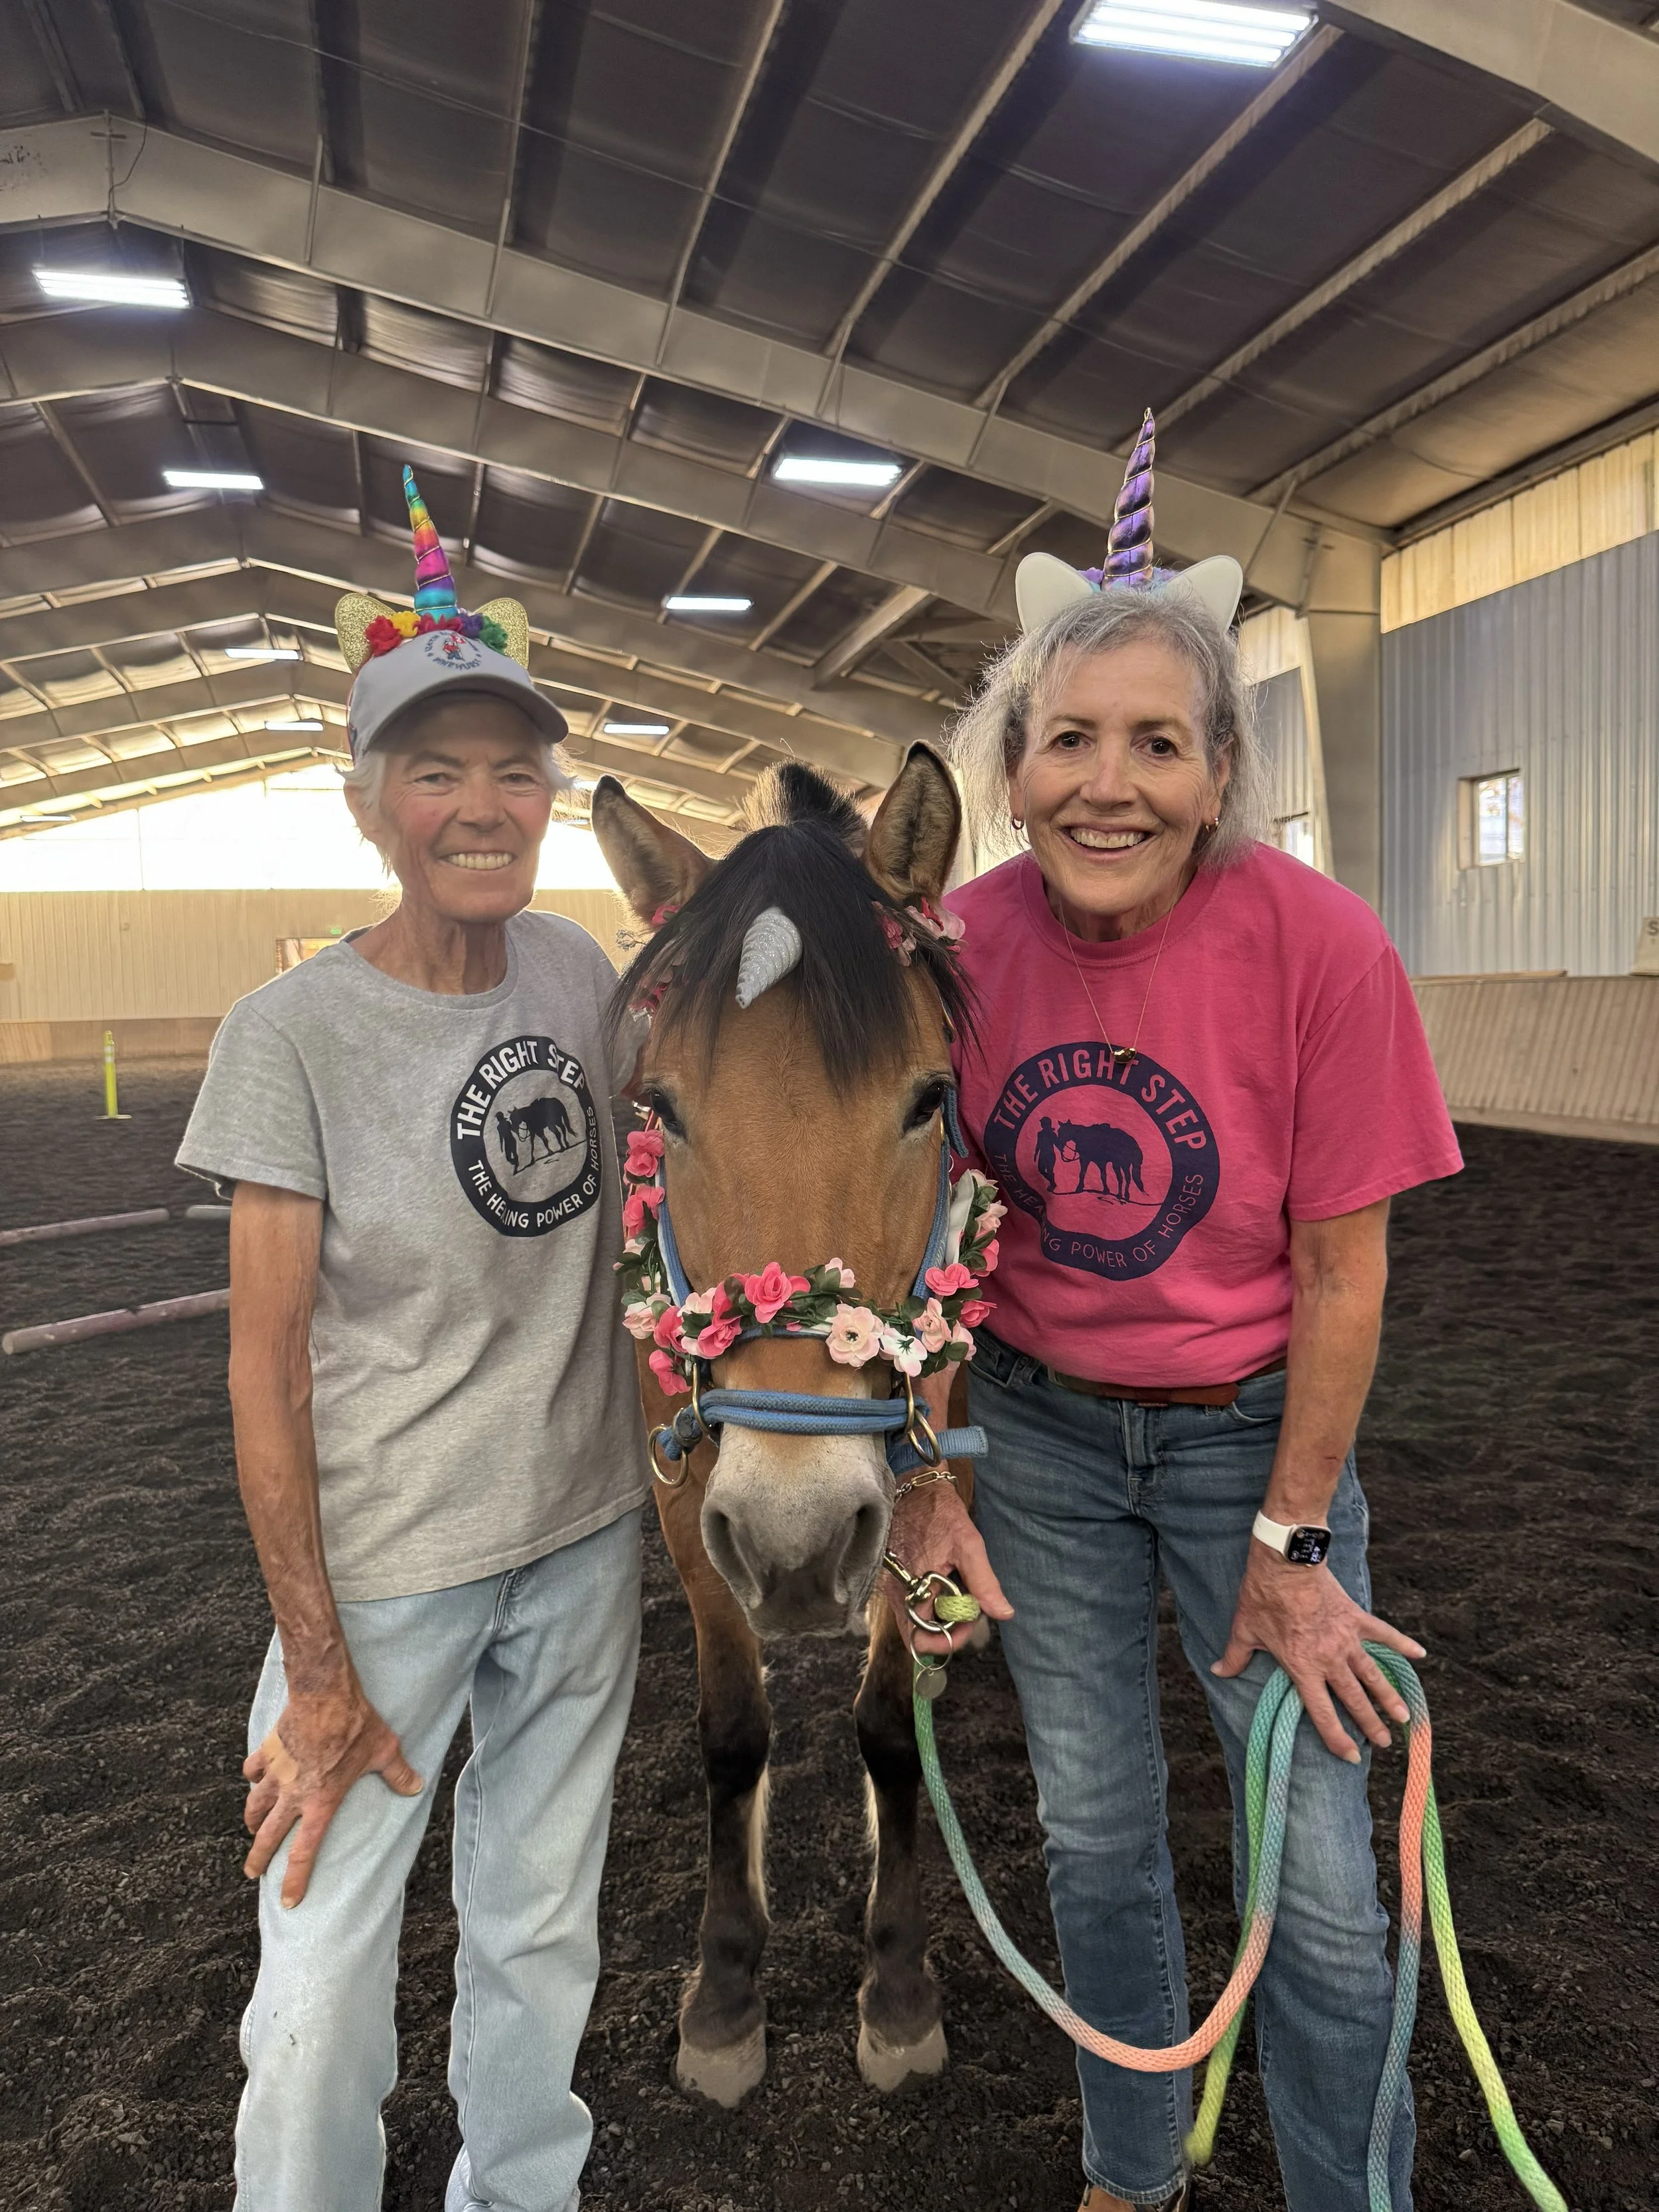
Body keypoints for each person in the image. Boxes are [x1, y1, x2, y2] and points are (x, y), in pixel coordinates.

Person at [891, 413, 1461, 2212]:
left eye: (1156, 742)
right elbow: (926, 1239)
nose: (1106, 783)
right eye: (1067, 739)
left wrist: (1294, 1538)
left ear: (1219, 772)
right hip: (1043, 1438)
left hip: (1254, 1448)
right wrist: (934, 1473)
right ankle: (1127, 2168)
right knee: (1094, 1834)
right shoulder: (961, 953)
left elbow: (1341, 1271)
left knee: (1318, 1881)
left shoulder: (1321, 948)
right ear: (1012, 765)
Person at [177, 469, 648, 2212]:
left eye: (512, 769)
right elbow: (264, 1366)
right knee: (314, 1974)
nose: (480, 804)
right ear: (372, 801)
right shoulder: (290, 1033)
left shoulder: (583, 979)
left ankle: (516, 2194)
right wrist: (311, 1663)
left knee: (539, 1929)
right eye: (436, 770)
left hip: (582, 1544)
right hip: (378, 1578)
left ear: (549, 795)